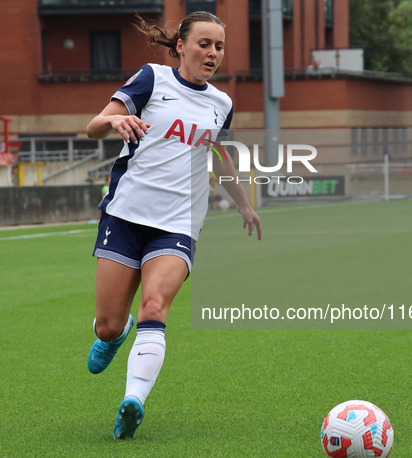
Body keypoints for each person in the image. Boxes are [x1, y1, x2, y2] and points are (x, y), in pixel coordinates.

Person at [85, 11, 262, 440]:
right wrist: (114, 120)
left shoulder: (222, 103)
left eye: (219, 46)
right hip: (125, 216)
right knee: (109, 324)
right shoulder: (152, 79)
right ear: (181, 46)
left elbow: (217, 157)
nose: (213, 53)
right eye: (205, 44)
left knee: (154, 306)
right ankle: (116, 333)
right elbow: (92, 127)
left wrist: (244, 204)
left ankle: (133, 402)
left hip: (178, 225)